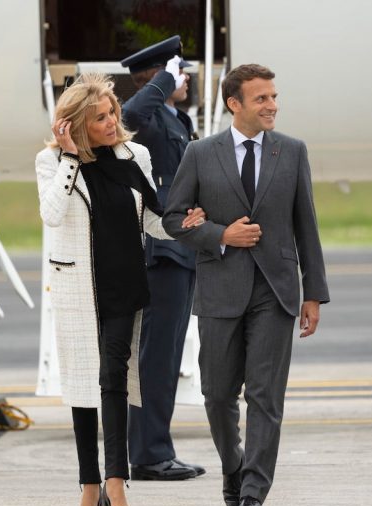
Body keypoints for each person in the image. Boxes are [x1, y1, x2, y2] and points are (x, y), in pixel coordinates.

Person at [161, 64, 329, 506]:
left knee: (265, 396)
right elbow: (173, 219)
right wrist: (220, 235)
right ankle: (233, 466)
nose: (272, 105)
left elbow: (306, 226)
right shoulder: (200, 153)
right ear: (234, 104)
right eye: (262, 98)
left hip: (276, 291)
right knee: (217, 395)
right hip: (220, 288)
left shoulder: (291, 151)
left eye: (274, 96)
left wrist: (313, 293)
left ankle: (253, 492)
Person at [35, 73, 204, 506]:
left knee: (113, 377)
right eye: (100, 118)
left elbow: (151, 220)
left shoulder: (135, 155)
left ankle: (115, 483)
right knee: (82, 386)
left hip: (123, 284)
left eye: (111, 113)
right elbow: (52, 214)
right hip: (77, 287)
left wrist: (184, 225)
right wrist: (71, 158)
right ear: (75, 125)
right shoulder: (51, 161)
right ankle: (88, 486)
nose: (112, 122)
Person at [119, 36, 205, 481]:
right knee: (156, 357)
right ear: (158, 78)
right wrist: (164, 81)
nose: (185, 79)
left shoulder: (175, 118)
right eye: (178, 72)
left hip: (181, 246)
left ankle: (156, 449)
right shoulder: (148, 119)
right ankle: (149, 455)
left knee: (167, 356)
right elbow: (129, 116)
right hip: (162, 250)